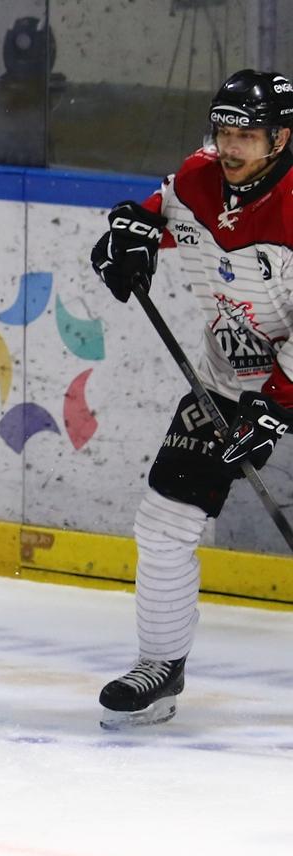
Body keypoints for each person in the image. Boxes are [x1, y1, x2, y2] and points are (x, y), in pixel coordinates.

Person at [90, 68, 293, 729]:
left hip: (282, 382)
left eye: (248, 136)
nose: (230, 147)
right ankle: (160, 667)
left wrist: (278, 403)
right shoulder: (202, 176)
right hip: (231, 382)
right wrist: (130, 235)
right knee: (164, 523)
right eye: (224, 131)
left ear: (283, 139)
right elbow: (163, 215)